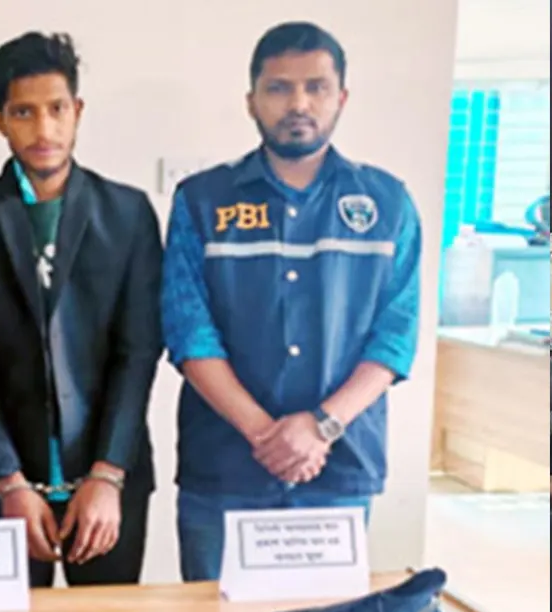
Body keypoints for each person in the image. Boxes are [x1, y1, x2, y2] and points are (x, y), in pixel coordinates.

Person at [160, 21, 422, 582]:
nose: (298, 103)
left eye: (315, 87)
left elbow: (395, 337)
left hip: (339, 469)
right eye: (279, 88)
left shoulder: (387, 202)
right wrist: (265, 434)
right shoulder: (202, 200)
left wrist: (320, 428)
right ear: (251, 100)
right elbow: (189, 332)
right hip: (224, 469)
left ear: (341, 98)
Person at [0, 31, 164, 587]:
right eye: (24, 112)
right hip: (4, 484)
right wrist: (8, 479)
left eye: (57, 109)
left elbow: (138, 353)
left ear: (77, 110)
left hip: (107, 482)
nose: (43, 129)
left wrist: (108, 474)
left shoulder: (128, 213)